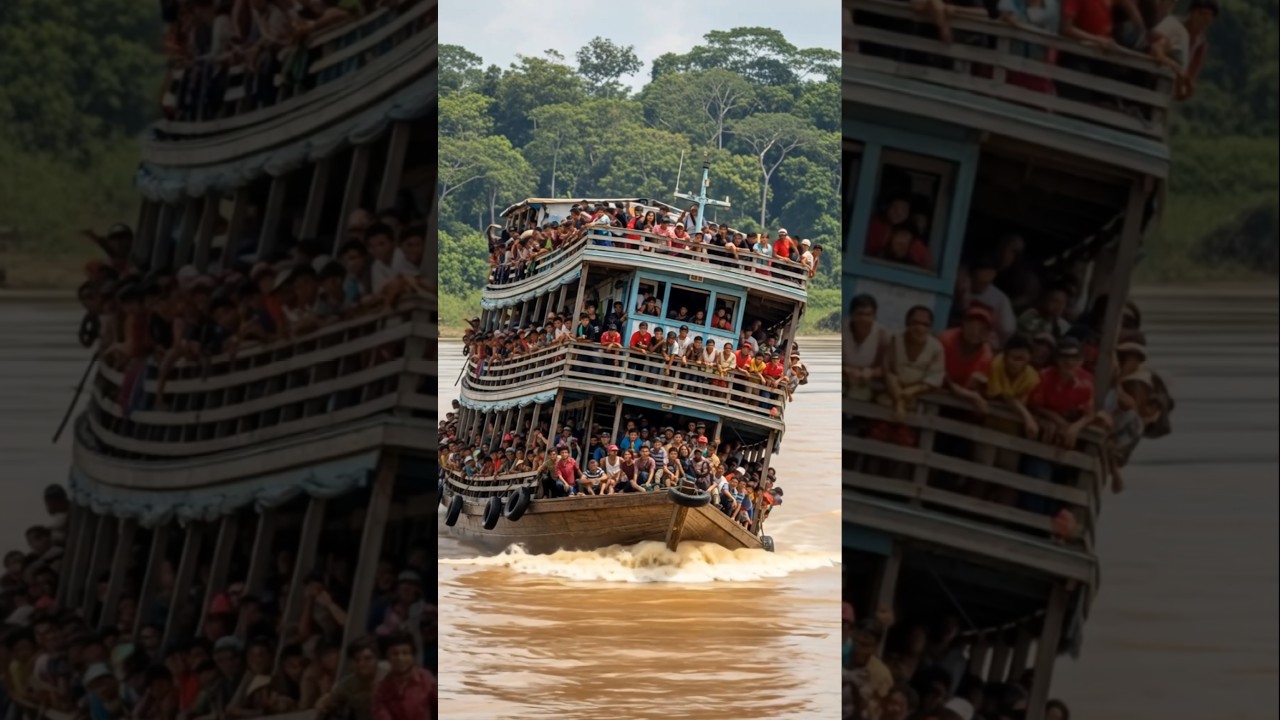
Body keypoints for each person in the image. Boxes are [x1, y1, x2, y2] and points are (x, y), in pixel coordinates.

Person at [315, 638, 388, 720]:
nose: (362, 664)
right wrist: (322, 702)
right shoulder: (348, 684)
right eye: (357, 660)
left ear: (377, 658)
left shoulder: (390, 676)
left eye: (368, 659)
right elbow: (326, 701)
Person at [373, 633, 433, 720]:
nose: (400, 658)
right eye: (395, 653)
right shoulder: (382, 688)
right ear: (388, 657)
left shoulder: (426, 679)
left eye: (405, 653)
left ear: (412, 656)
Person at [845, 295, 887, 402]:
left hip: (868, 382)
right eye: (860, 314)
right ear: (852, 315)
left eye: (868, 315)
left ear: (874, 316)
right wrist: (846, 370)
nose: (864, 319)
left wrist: (871, 372)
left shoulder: (881, 336)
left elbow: (885, 368)